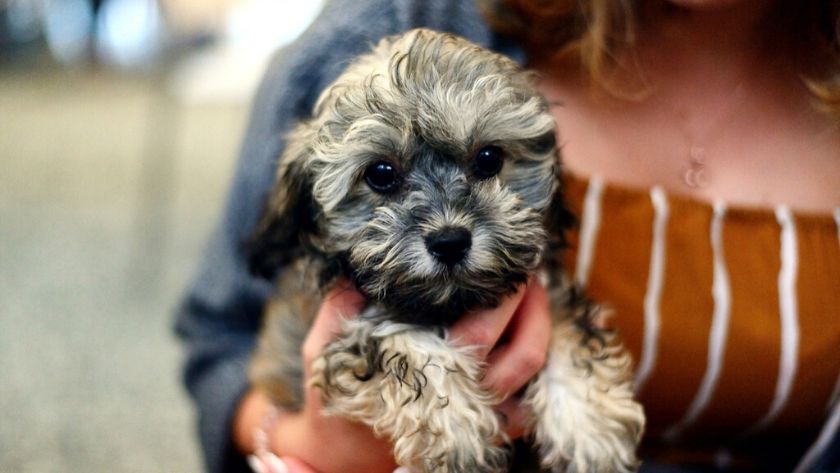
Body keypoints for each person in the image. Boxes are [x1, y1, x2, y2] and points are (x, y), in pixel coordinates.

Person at [175, 0, 840, 472]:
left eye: (486, 163)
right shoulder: (381, 25)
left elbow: (568, 329)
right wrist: (294, 443)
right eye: (383, 176)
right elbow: (220, 337)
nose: (446, 222)